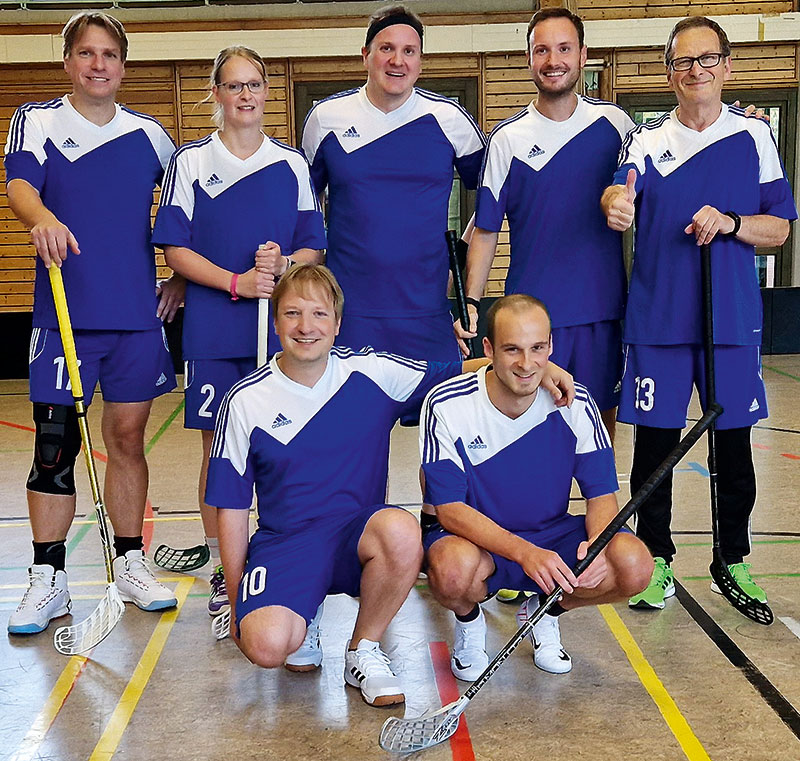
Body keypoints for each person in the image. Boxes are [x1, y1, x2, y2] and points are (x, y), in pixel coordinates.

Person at [205, 265, 575, 705]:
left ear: (338, 324)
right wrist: (233, 595)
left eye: (320, 315)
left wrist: (538, 366)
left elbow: (455, 369)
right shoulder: (244, 400)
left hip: (358, 538)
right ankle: (304, 613)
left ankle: (363, 649)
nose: (307, 327)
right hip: (286, 544)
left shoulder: (372, 371)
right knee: (266, 646)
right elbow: (230, 506)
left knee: (400, 528)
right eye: (293, 314)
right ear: (276, 320)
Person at [601, 16, 796, 610]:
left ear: (727, 67)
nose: (695, 71)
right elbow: (619, 190)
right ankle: (656, 558)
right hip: (659, 319)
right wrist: (618, 203)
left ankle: (731, 560)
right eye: (683, 62)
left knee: (733, 449)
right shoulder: (645, 139)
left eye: (706, 60)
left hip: (730, 322)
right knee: (655, 449)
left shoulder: (754, 137)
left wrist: (733, 223)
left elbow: (780, 229)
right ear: (669, 72)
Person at [5, 11, 183, 634]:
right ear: (68, 61)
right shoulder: (38, 120)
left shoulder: (153, 136)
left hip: (135, 316)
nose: (98, 64)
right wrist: (40, 220)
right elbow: (21, 186)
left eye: (110, 55)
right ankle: (48, 576)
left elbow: (187, 212)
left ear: (123, 65)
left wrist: (181, 277)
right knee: (54, 448)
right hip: (64, 315)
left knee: (129, 441)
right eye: (87, 53)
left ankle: (131, 562)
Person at [152, 46, 326, 618]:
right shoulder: (191, 161)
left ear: (266, 91)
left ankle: (280, 559)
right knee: (219, 452)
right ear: (217, 94)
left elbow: (313, 245)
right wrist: (237, 282)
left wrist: (281, 266)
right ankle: (224, 572)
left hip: (279, 333)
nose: (245, 95)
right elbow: (175, 247)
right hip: (214, 330)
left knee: (284, 443)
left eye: (254, 84)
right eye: (233, 86)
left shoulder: (292, 163)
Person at [421, 294, 653, 678]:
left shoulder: (577, 404)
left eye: (537, 348)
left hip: (551, 530)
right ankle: (469, 622)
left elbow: (600, 496)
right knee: (451, 572)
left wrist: (595, 546)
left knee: (634, 565)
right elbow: (449, 510)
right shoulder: (446, 404)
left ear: (551, 348)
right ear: (489, 349)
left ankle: (546, 611)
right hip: (476, 538)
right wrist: (526, 553)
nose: (527, 364)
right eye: (512, 349)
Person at [457, 7, 632, 444]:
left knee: (598, 437)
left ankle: (602, 515)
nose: (553, 59)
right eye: (542, 50)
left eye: (563, 48)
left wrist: (740, 118)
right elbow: (486, 230)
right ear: (529, 58)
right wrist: (472, 303)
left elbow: (671, 169)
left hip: (602, 312)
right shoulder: (507, 139)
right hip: (530, 323)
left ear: (583, 55)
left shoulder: (616, 126)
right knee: (530, 437)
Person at [301, 4, 486, 363]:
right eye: (386, 48)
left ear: (420, 62)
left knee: (440, 419)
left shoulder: (449, 120)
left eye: (408, 51)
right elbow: (302, 207)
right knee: (355, 420)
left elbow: (495, 202)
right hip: (349, 316)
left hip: (428, 314)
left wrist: (457, 258)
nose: (397, 60)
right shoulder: (326, 119)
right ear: (365, 55)